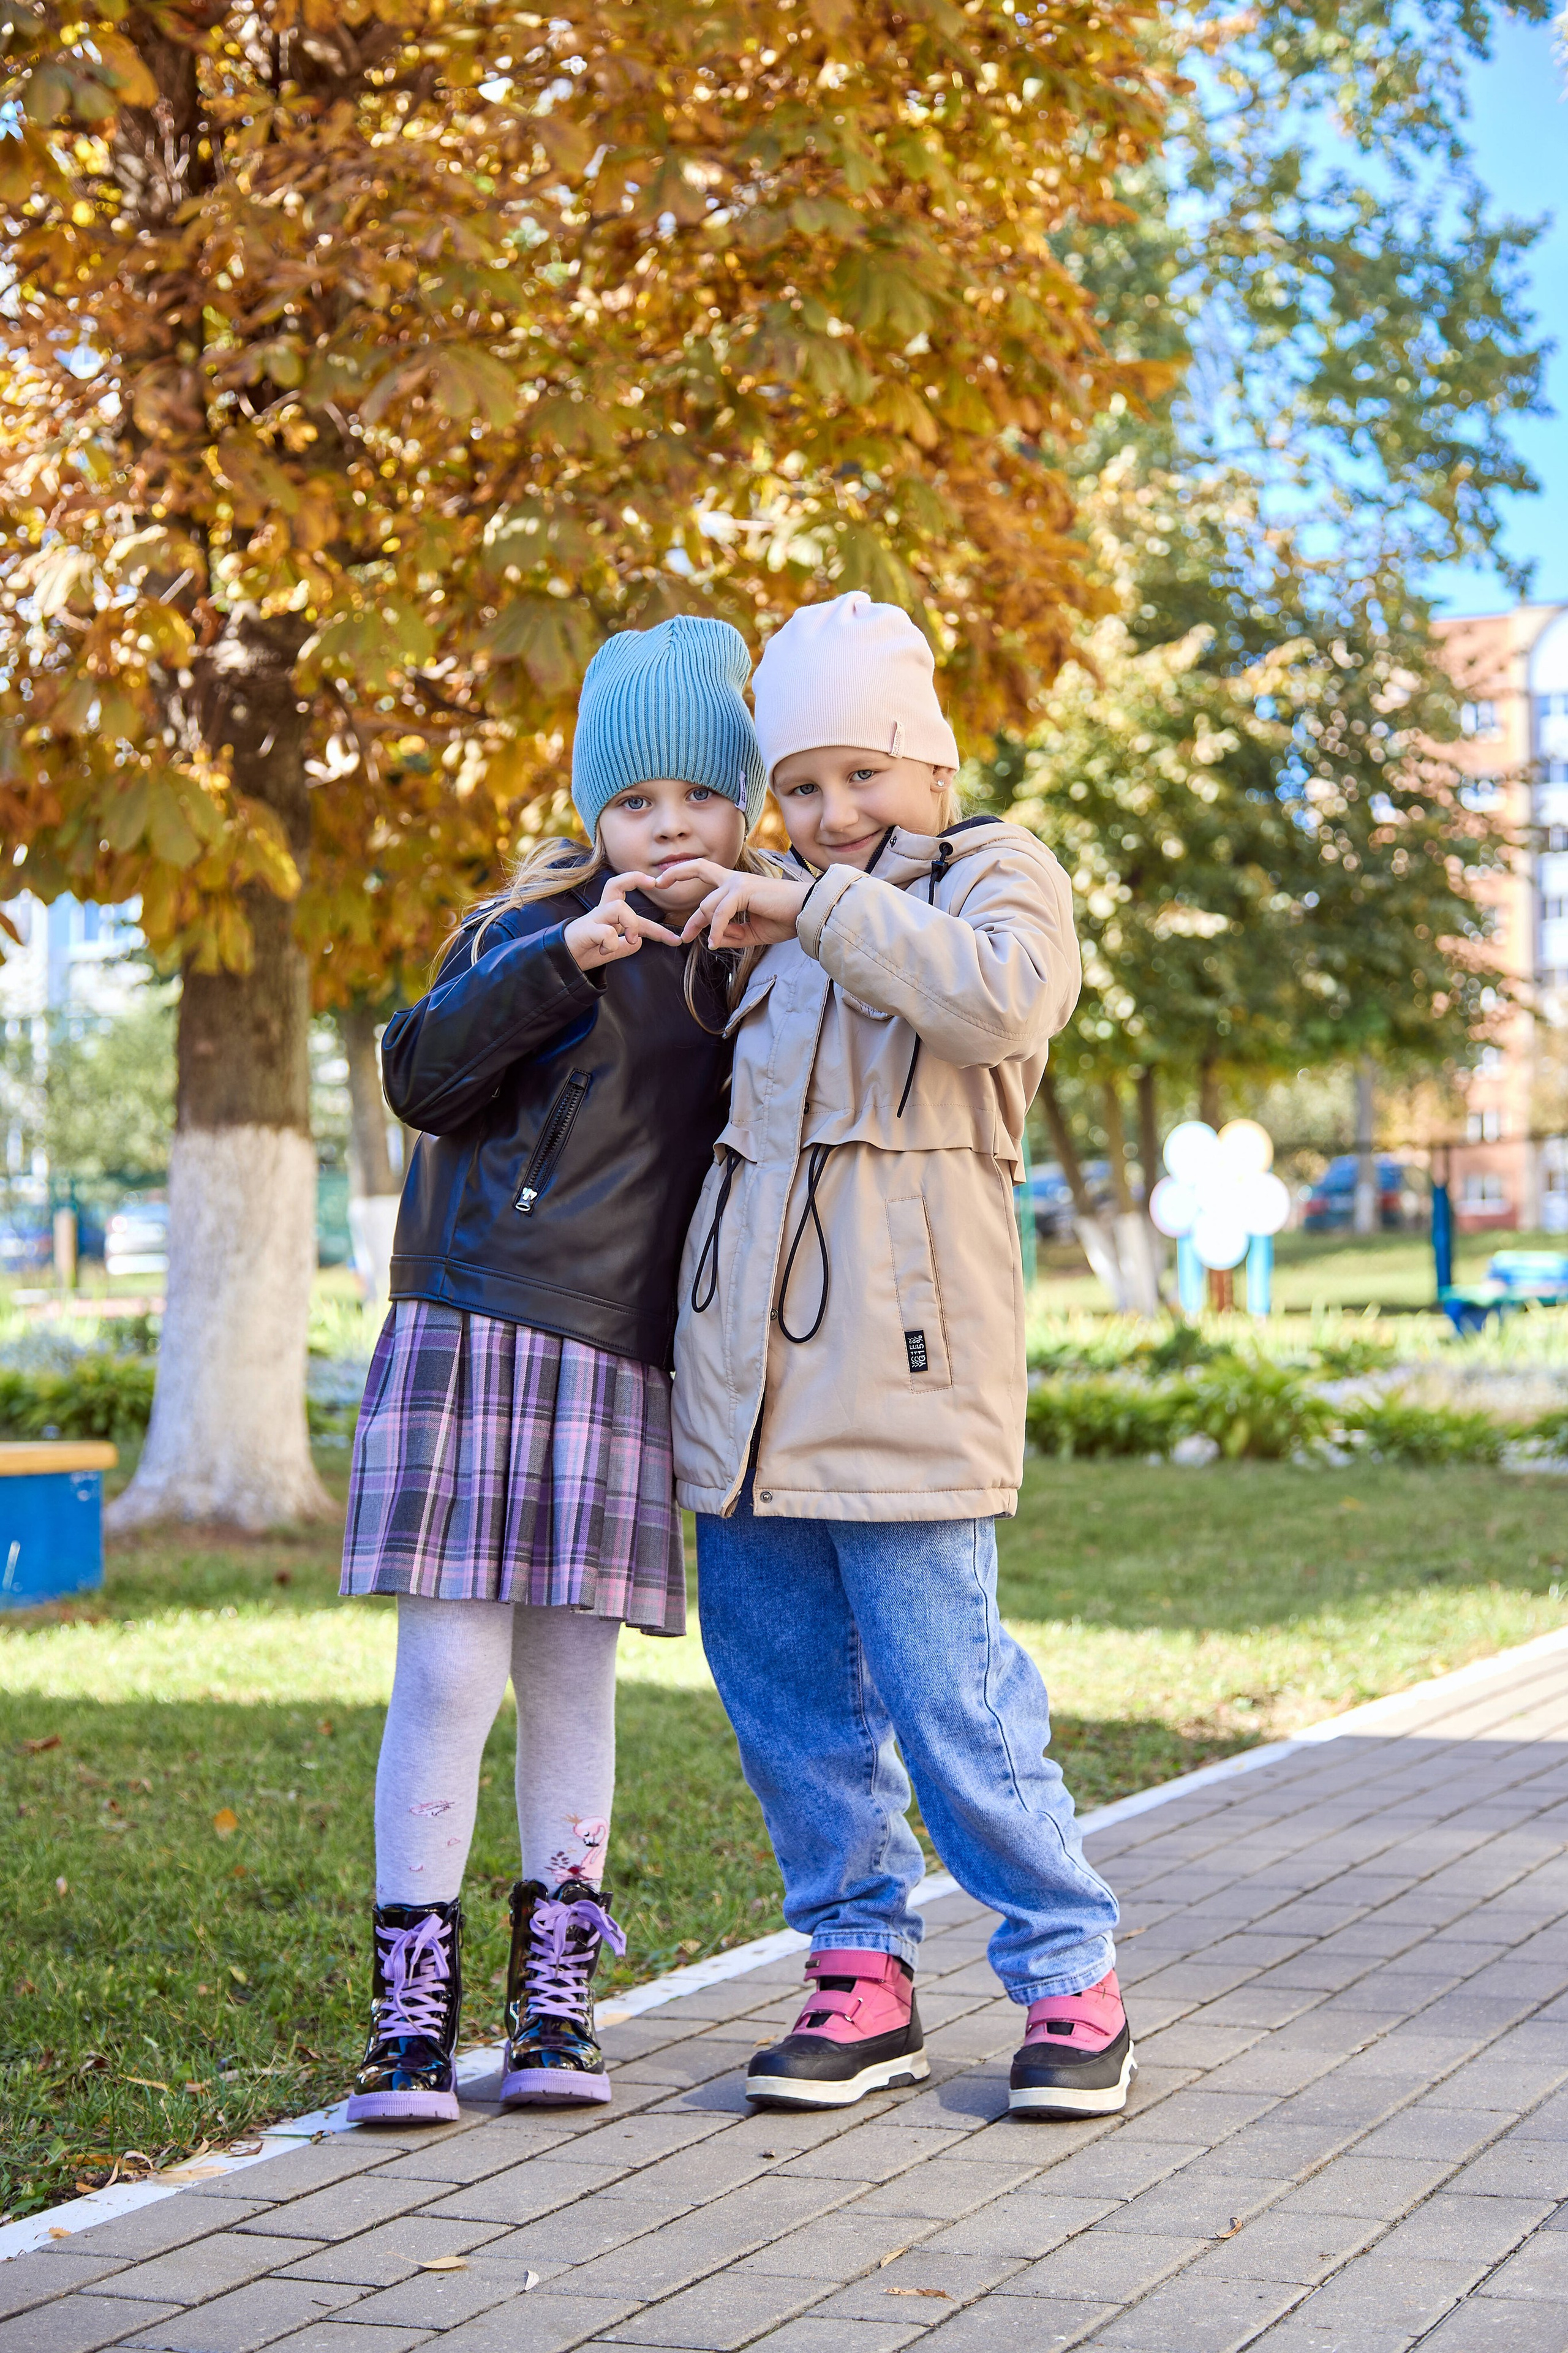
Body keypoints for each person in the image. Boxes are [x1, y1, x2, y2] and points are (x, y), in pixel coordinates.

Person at [665, 592, 1132, 2120]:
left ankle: (1067, 1974)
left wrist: (802, 904)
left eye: (860, 773)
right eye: (798, 786)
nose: (829, 811)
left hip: (913, 1378)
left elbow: (1000, 1002)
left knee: (952, 1695)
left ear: (929, 764)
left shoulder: (990, 871)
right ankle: (858, 1973)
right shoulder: (768, 913)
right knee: (787, 1697)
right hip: (750, 1394)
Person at [339, 614, 767, 2123]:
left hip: (613, 1355)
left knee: (570, 1675)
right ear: (594, 810)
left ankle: (555, 2005)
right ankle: (407, 2015)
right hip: (470, 1326)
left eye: (698, 798)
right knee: (449, 1670)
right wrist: (556, 962)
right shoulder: (512, 928)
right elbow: (419, 1077)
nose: (666, 828)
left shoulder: (750, 953)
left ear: (743, 800)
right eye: (636, 801)